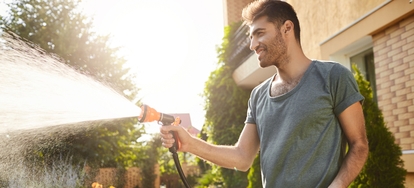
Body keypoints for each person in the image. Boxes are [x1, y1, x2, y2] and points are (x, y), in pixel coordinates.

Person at [160, 0, 369, 187]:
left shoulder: (333, 77)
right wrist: (190, 144)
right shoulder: (258, 96)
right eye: (251, 37)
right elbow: (242, 157)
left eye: (260, 33)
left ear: (287, 28)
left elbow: (359, 145)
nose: (253, 45)